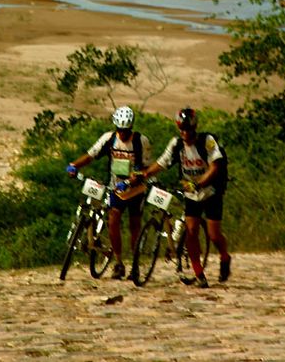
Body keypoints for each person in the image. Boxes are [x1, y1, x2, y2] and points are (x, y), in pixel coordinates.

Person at [136, 106, 231, 288]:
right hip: (190, 192)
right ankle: (198, 273)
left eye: (188, 129)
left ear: (194, 128)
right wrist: (144, 174)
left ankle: (225, 257)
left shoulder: (207, 141)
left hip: (211, 191)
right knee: (192, 230)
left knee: (213, 234)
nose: (185, 133)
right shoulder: (176, 144)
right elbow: (162, 163)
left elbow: (215, 166)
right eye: (181, 129)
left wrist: (200, 182)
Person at [67, 105, 152, 280]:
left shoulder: (140, 141)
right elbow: (91, 155)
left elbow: (143, 170)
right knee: (113, 219)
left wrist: (129, 182)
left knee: (134, 225)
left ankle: (135, 264)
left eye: (126, 130)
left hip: (136, 189)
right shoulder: (109, 138)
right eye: (120, 130)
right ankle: (119, 262)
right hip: (116, 187)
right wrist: (74, 165)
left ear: (131, 128)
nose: (123, 133)